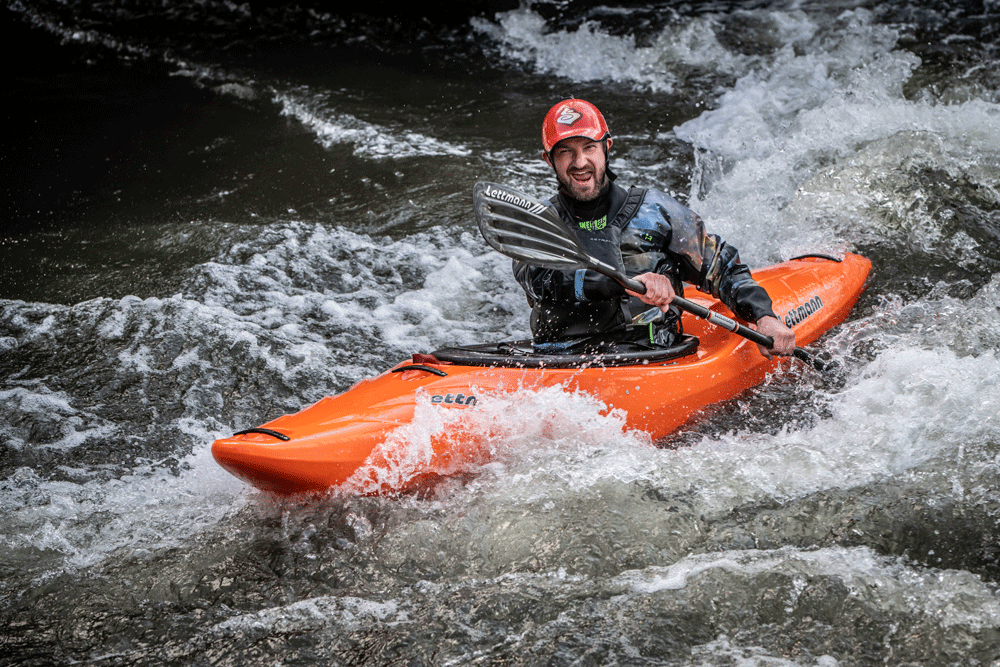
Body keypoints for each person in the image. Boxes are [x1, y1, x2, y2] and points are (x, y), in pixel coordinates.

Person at [513, 98, 796, 359]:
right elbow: (540, 279)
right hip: (559, 362)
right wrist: (625, 283)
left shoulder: (654, 211)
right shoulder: (536, 224)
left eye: (589, 148)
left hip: (653, 356)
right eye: (565, 152)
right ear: (549, 159)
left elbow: (721, 268)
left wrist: (764, 315)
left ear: (606, 147)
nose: (579, 162)